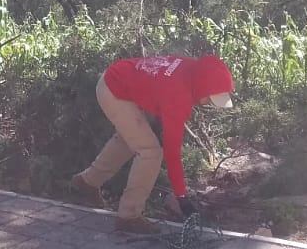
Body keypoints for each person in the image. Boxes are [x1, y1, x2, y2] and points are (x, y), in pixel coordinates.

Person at [72, 54, 236, 234]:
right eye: (209, 99)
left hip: (116, 79)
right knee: (150, 152)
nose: (208, 104)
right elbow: (172, 154)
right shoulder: (179, 96)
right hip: (114, 89)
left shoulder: (191, 69)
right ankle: (129, 216)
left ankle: (87, 182)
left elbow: (158, 84)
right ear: (203, 87)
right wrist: (182, 198)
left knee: (130, 141)